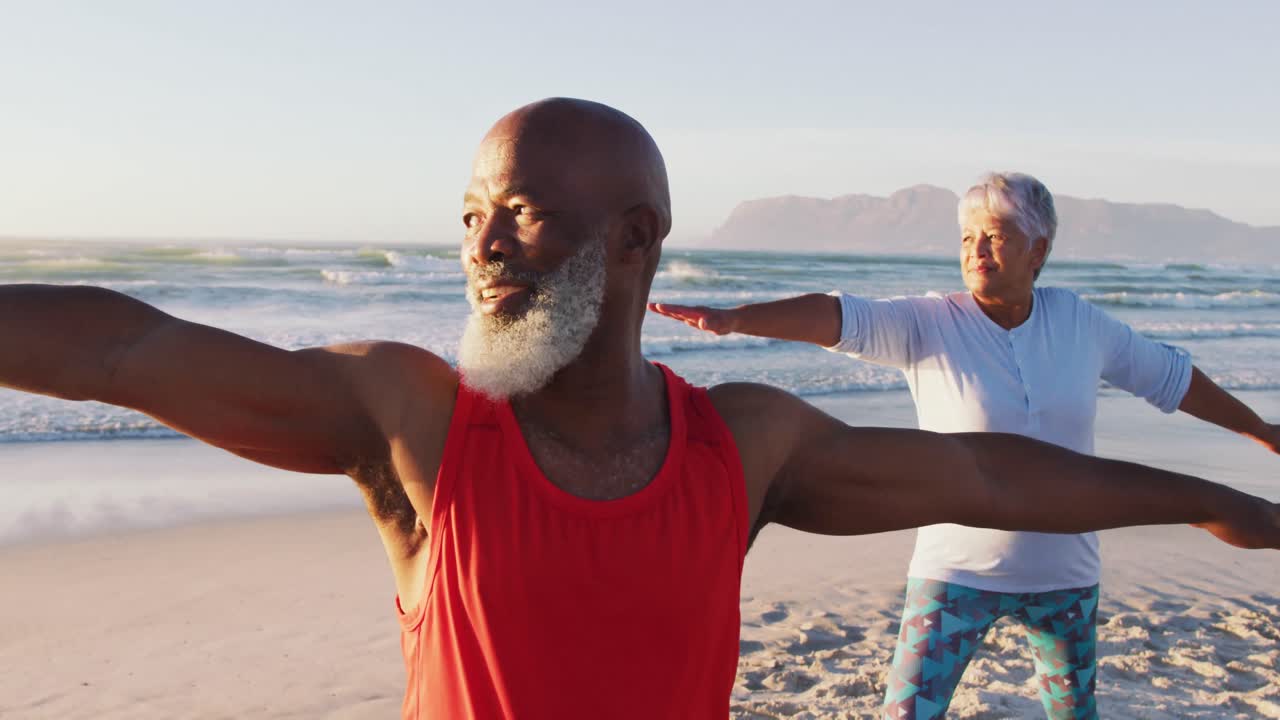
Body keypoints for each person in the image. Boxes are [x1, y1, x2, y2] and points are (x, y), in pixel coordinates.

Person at [2, 103, 1276, 720]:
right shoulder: (415, 420)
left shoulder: (740, 446)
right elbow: (127, 343)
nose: (481, 245)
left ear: (633, 239)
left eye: (521, 212)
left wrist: (1215, 498)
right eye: (467, 217)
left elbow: (991, 482)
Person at [649, 171, 1280, 719]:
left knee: (1075, 713)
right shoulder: (930, 322)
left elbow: (1172, 379)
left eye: (995, 236)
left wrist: (1262, 430)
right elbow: (841, 317)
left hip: (1066, 576)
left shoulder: (1081, 324)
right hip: (957, 573)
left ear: (1039, 249)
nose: (976, 250)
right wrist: (739, 319)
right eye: (967, 238)